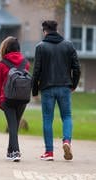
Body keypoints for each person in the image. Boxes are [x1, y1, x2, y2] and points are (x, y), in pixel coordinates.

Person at [32, 20, 81, 161]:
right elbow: (76, 68)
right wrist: (74, 85)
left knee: (48, 119)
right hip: (65, 87)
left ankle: (49, 152)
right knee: (66, 116)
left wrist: (34, 90)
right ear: (57, 29)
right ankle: (66, 141)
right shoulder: (68, 45)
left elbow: (36, 71)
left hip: (47, 89)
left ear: (44, 31)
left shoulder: (40, 47)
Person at [0, 36, 30, 162]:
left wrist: (1, 102)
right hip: (22, 98)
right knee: (14, 125)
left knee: (12, 125)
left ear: (6, 48)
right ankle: (10, 151)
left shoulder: (2, 64)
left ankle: (15, 152)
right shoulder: (25, 63)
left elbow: (0, 85)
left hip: (8, 98)